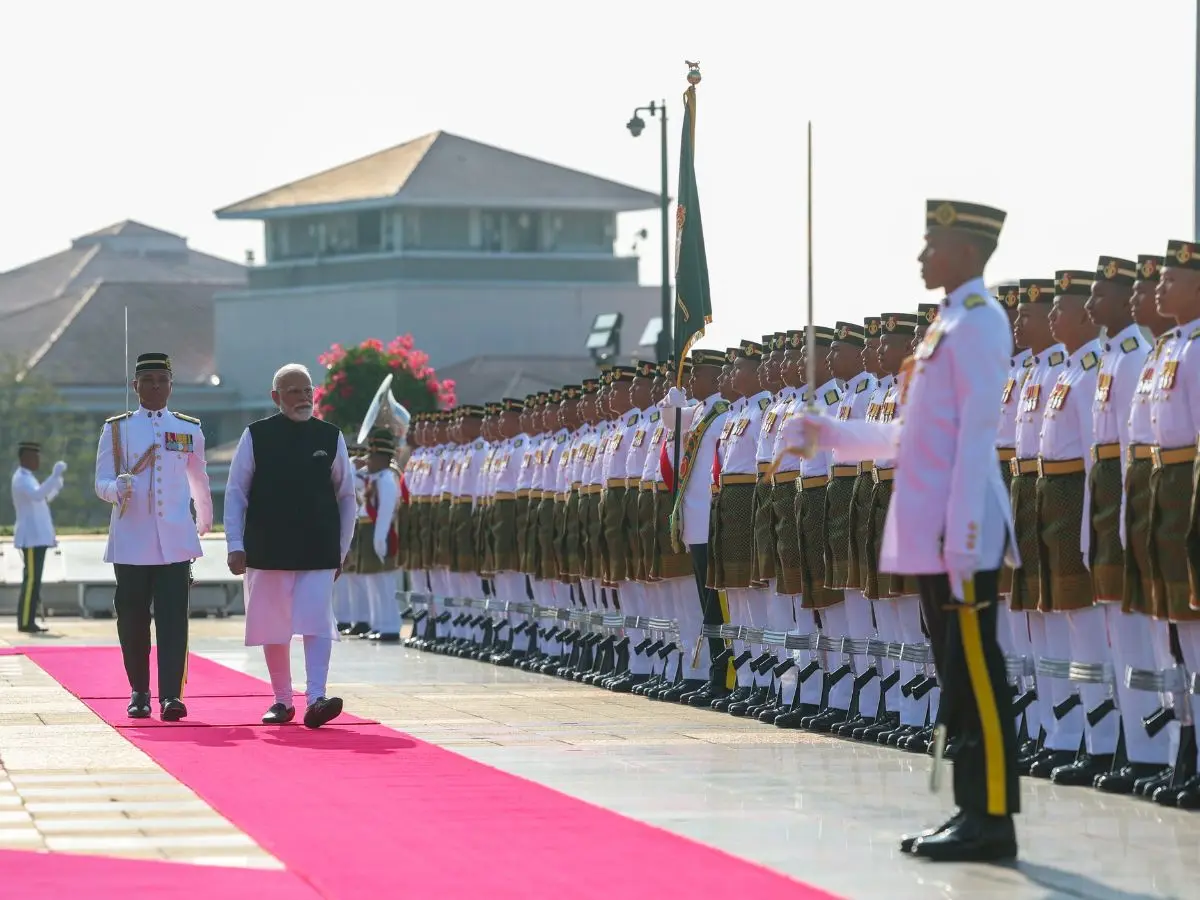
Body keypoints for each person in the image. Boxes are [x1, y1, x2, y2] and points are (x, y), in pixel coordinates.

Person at [778, 199, 1020, 862]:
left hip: (959, 526)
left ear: (965, 253)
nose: (921, 257)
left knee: (976, 670)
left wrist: (966, 535)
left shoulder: (978, 324)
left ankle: (994, 816)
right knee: (954, 670)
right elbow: (906, 437)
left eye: (930, 244)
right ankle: (973, 810)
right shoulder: (943, 326)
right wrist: (830, 435)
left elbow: (975, 437)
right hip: (934, 525)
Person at [223, 363, 358, 728]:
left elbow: (347, 496)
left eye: (307, 389)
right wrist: (235, 543)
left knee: (317, 621)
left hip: (318, 548)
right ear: (276, 397)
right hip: (267, 548)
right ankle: (282, 700)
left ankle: (317, 697)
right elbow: (236, 493)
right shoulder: (256, 436)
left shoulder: (330, 437)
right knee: (273, 625)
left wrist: (341, 549)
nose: (303, 397)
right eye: (294, 391)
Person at [94, 352, 213, 721]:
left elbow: (199, 478)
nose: (155, 386)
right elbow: (99, 483)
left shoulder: (188, 428)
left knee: (174, 619)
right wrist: (117, 488)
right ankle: (139, 691)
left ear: (171, 385)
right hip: (132, 540)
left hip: (175, 540)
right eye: (148, 381)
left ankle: (171, 696)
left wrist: (205, 518)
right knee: (131, 619)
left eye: (162, 380)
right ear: (136, 386)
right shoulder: (117, 429)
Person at [11, 441, 67, 634]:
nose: (38, 460)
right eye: (35, 457)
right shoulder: (21, 478)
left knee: (34, 581)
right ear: (25, 458)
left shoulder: (29, 478)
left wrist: (55, 485)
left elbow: (43, 498)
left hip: (38, 538)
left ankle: (28, 619)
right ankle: (26, 621)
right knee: (31, 581)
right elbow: (36, 495)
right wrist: (53, 476)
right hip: (31, 538)